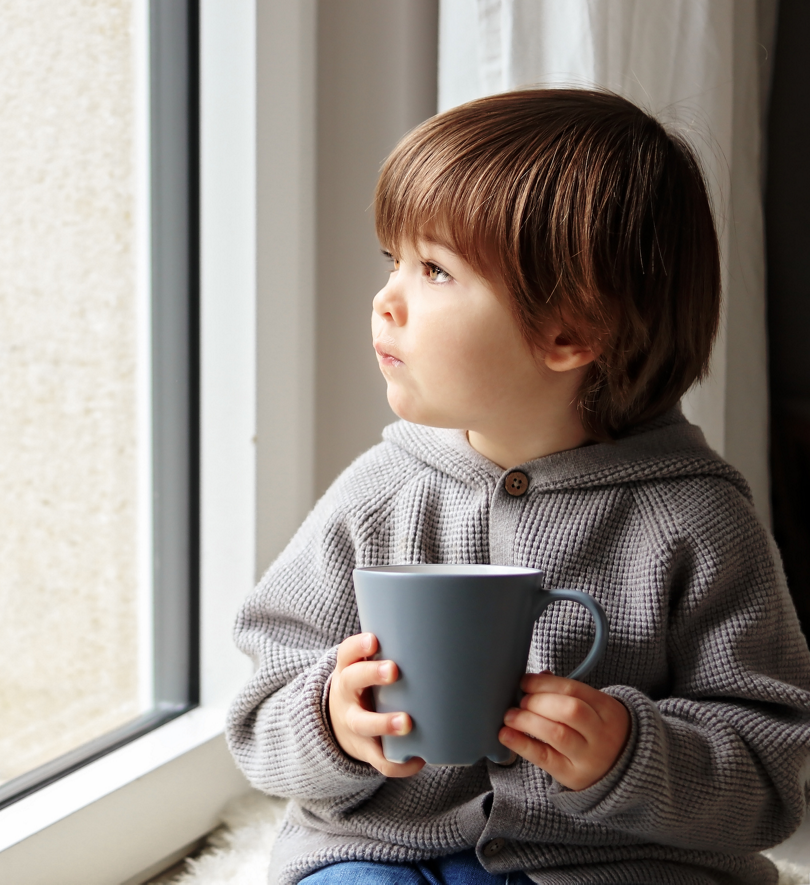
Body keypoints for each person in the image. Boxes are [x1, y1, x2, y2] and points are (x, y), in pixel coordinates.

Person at [225, 88, 810, 885]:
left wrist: (630, 752)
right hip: (391, 855)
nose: (385, 300)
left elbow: (773, 773)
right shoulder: (379, 492)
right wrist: (331, 719)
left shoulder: (698, 520)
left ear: (568, 331)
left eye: (433, 269)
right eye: (391, 261)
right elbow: (259, 710)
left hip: (619, 863)